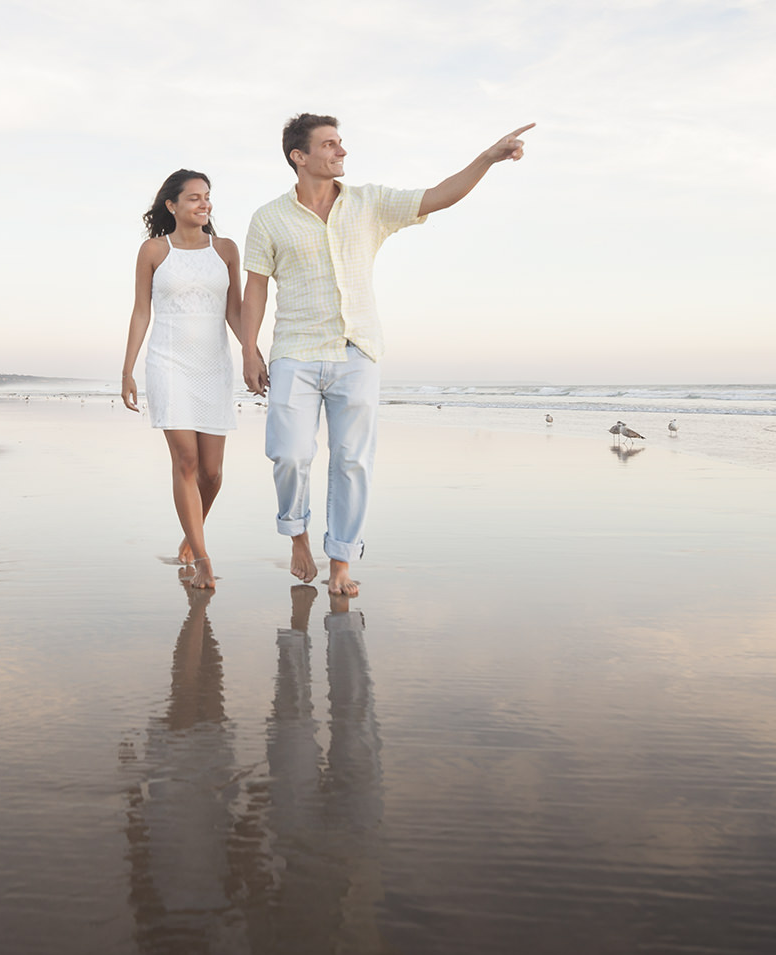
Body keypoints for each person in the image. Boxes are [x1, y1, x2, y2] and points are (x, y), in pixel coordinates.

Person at [241, 113, 533, 595]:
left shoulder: (369, 202)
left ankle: (341, 561)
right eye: (330, 144)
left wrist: (487, 158)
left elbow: (439, 196)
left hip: (358, 351)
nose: (342, 152)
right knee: (290, 454)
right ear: (300, 157)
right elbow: (254, 291)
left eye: (341, 143)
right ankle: (297, 533)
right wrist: (249, 349)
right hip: (294, 351)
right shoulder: (268, 218)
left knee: (353, 460)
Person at [123, 169, 243, 590]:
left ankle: (191, 536)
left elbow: (235, 312)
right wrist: (128, 369)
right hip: (167, 363)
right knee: (186, 462)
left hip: (213, 365)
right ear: (172, 205)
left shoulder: (226, 249)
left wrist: (252, 351)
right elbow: (142, 311)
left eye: (207, 197)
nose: (204, 204)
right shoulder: (154, 250)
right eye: (194, 198)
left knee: (212, 472)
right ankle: (203, 558)